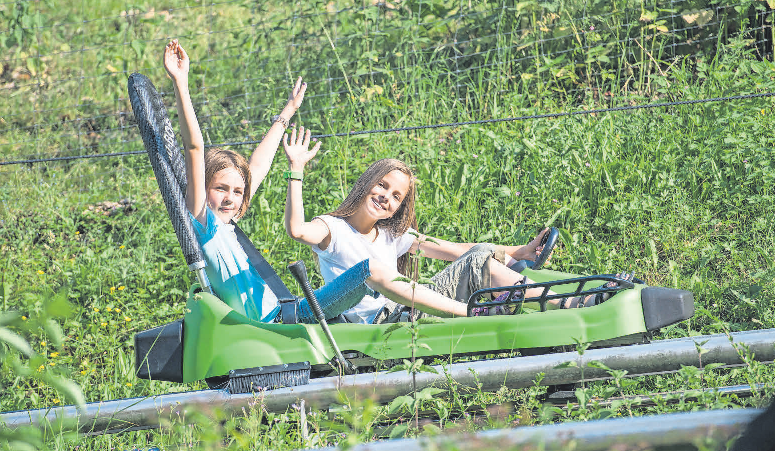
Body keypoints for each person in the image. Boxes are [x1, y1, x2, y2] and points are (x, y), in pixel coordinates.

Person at [282, 128, 620, 323]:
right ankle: (558, 304)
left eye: (396, 196)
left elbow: (454, 251)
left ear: (398, 208)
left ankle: (557, 296)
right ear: (367, 182)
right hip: (386, 319)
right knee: (479, 262)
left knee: (478, 257)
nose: (386, 197)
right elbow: (297, 230)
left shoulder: (392, 234)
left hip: (409, 304)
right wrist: (296, 168)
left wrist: (518, 250)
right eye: (383, 186)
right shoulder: (331, 229)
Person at [163, 39, 370, 324]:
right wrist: (181, 83)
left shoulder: (228, 223)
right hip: (284, 321)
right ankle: (429, 307)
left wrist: (288, 111)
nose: (230, 198)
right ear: (204, 188)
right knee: (371, 272)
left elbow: (258, 165)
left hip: (292, 310)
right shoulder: (205, 226)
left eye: (237, 192)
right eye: (220, 188)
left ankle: (409, 307)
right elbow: (195, 148)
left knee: (372, 275)